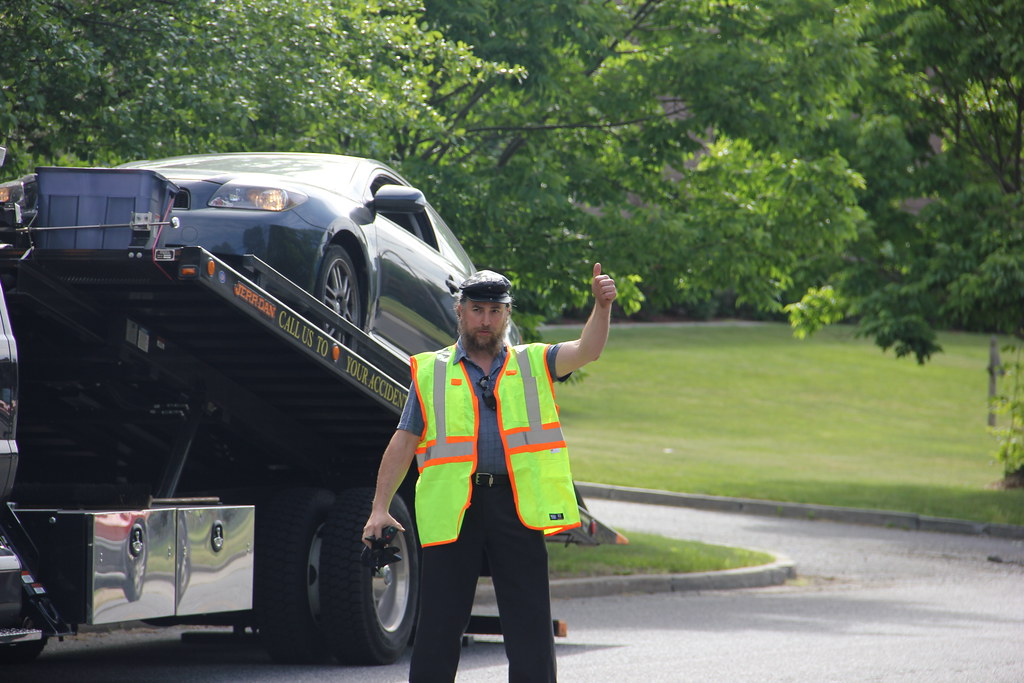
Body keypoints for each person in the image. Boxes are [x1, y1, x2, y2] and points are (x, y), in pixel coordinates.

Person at [363, 262, 617, 682]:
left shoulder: (534, 361)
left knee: (530, 625)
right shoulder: (432, 371)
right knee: (439, 624)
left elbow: (587, 350)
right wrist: (378, 508)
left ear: (507, 314)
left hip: (516, 506)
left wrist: (601, 306)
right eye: (477, 309)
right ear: (459, 311)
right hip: (454, 510)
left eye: (495, 311)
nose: (486, 320)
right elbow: (404, 441)